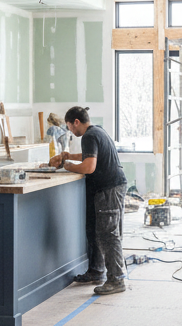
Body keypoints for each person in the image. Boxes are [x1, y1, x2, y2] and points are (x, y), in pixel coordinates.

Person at [49, 105, 128, 296]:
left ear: (76, 122)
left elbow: (89, 166)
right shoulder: (97, 130)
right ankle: (96, 271)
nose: (70, 130)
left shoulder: (89, 136)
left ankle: (116, 280)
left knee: (108, 235)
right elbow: (91, 156)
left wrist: (67, 165)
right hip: (110, 187)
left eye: (69, 126)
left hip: (109, 189)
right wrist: (69, 156)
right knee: (96, 231)